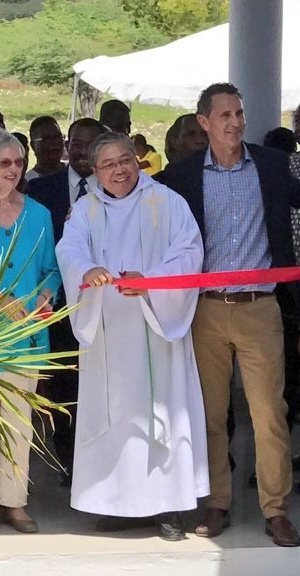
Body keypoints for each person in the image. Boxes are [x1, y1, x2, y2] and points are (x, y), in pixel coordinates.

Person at [156, 83, 300, 547]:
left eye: (239, 113)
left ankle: (276, 510)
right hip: (205, 310)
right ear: (204, 123)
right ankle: (216, 501)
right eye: (225, 115)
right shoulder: (180, 177)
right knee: (212, 416)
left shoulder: (273, 165)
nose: (235, 122)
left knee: (269, 415)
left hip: (261, 308)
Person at [56, 132, 209, 541]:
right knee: (117, 416)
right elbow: (69, 250)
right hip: (108, 330)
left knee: (162, 414)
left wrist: (153, 283)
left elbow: (190, 252)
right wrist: (86, 270)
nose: (119, 170)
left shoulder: (167, 201)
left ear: (137, 159)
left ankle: (168, 509)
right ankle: (119, 504)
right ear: (94, 170)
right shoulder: (85, 209)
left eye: (125, 160)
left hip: (157, 327)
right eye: (108, 164)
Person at [0, 127, 60, 535]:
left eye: (19, 162)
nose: (14, 169)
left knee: (20, 424)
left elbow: (52, 269)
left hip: (28, 336)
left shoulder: (39, 214)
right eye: (4, 162)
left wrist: (44, 295)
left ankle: (13, 502)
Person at [25, 117, 108, 487]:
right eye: (73, 142)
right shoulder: (41, 190)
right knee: (63, 387)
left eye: (88, 144)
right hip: (57, 306)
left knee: (106, 385)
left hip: (107, 306)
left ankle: (105, 462)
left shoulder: (118, 187)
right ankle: (72, 464)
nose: (78, 150)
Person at [26, 116, 65, 182]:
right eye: (47, 139)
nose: (55, 143)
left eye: (58, 137)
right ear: (33, 145)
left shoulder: (75, 175)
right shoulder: (27, 182)